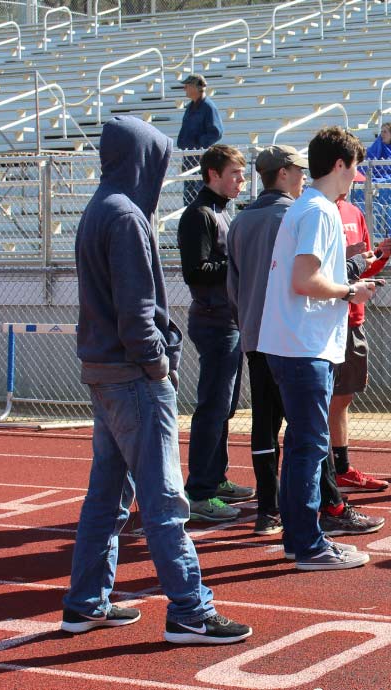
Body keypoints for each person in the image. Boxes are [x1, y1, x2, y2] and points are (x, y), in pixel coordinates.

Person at [64, 115, 250, 644]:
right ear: (143, 158)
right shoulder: (126, 217)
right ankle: (191, 610)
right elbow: (136, 310)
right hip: (133, 376)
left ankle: (86, 603)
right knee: (165, 500)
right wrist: (158, 364)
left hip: (106, 372)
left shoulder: (99, 208)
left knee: (107, 495)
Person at [257, 126, 380, 570]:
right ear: (341, 164)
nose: (355, 180)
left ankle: (299, 538)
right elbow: (304, 279)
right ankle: (308, 544)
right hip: (303, 343)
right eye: (354, 169)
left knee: (304, 446)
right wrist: (350, 291)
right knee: (310, 446)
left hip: (297, 341)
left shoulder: (308, 208)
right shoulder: (320, 211)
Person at [226, 145, 308, 537]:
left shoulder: (240, 221)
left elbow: (234, 285)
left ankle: (267, 509)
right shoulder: (294, 216)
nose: (304, 177)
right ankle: (308, 508)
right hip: (291, 336)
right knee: (305, 423)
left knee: (264, 422)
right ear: (283, 173)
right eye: (299, 170)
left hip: (255, 335)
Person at [178, 143, 254, 523]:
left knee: (224, 406)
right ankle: (199, 491)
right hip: (213, 321)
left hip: (230, 319)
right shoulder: (199, 215)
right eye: (235, 174)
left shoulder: (224, 213)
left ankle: (216, 478)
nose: (242, 180)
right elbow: (195, 271)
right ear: (213, 175)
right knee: (212, 406)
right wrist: (238, 263)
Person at [330, 168, 391, 493]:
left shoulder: (354, 212)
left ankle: (339, 467)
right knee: (326, 397)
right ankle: (328, 469)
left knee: (343, 396)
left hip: (354, 316)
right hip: (328, 318)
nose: (349, 190)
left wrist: (381, 254)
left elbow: (366, 262)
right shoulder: (319, 213)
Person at [177, 75, 224, 205]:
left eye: (187, 85)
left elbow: (216, 132)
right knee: (189, 191)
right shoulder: (190, 107)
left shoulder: (208, 107)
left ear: (195, 87)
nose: (184, 88)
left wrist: (198, 143)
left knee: (200, 189)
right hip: (189, 156)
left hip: (201, 156)